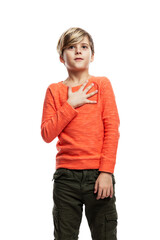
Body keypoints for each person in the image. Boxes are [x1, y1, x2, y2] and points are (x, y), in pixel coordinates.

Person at [41, 27, 120, 240]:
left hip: (98, 176)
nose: (78, 51)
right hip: (66, 178)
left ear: (92, 55)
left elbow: (112, 130)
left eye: (84, 47)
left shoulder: (102, 85)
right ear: (61, 56)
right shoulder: (54, 91)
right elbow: (47, 133)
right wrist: (70, 104)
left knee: (105, 235)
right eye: (71, 47)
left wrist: (106, 172)